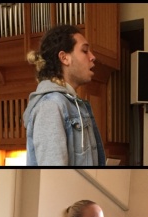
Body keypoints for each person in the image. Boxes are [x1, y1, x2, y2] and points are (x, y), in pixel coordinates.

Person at [23, 24, 105, 166]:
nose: (92, 57)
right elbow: (55, 176)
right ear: (64, 58)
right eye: (85, 51)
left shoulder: (77, 104)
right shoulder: (50, 106)